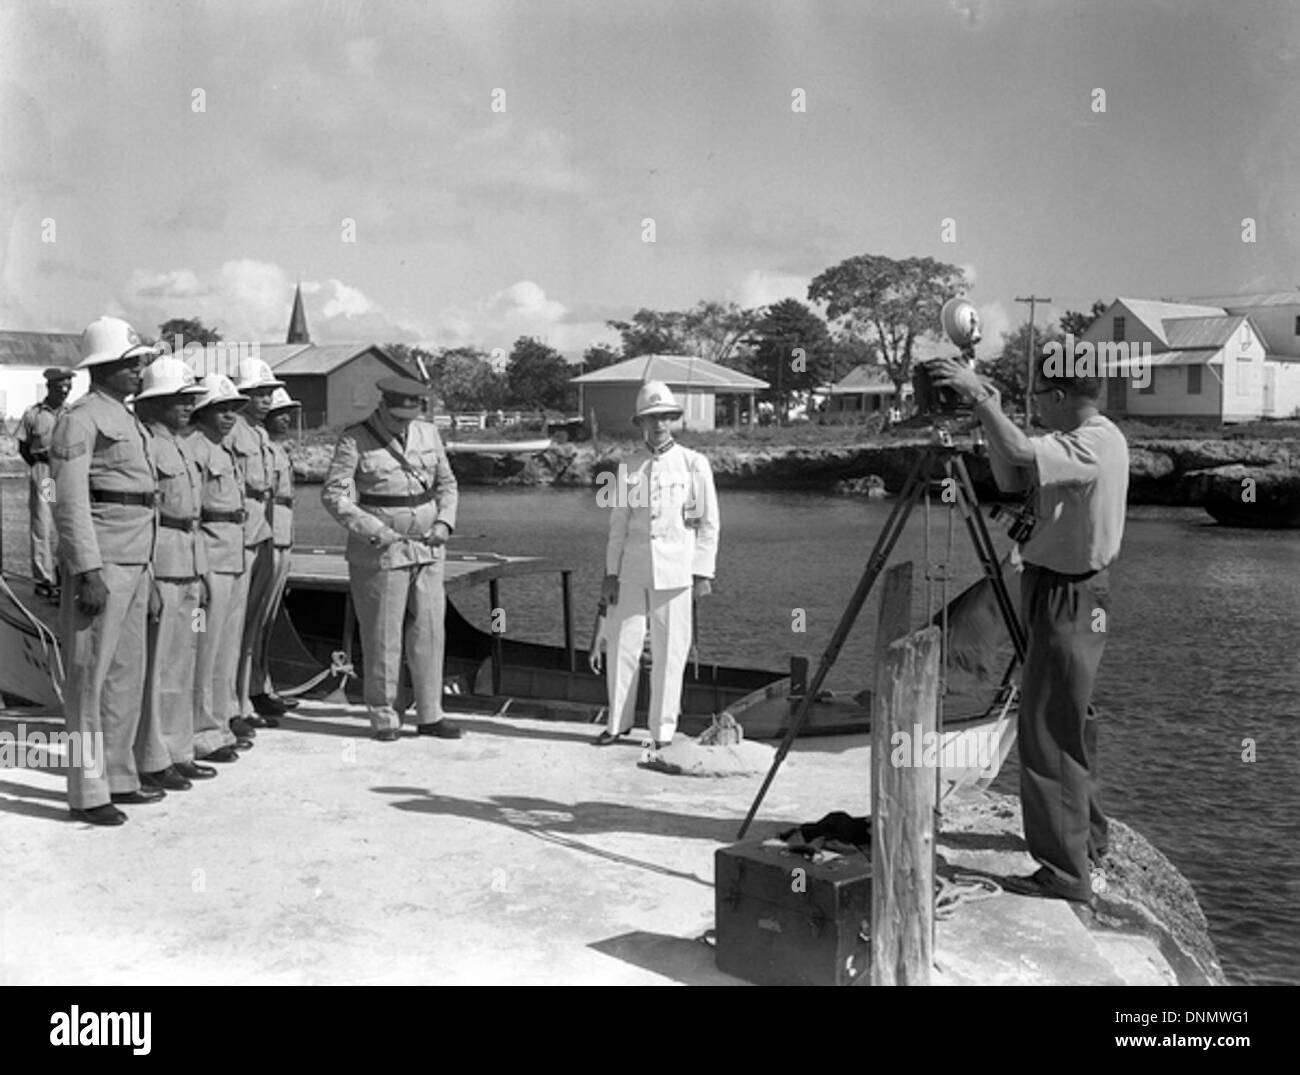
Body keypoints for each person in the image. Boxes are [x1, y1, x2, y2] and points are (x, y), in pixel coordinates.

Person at [929, 347, 1129, 903]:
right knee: (1068, 716)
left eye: (1039, 396)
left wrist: (982, 397)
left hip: (1073, 592)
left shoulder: (1097, 440)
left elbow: (1018, 447)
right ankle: (1087, 840)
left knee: (1047, 729)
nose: (1034, 406)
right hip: (1050, 584)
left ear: (1062, 397)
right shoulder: (1068, 445)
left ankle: (1065, 874)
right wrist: (987, 415)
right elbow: (1010, 473)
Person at [50, 317, 161, 826]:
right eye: (132, 363)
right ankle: (86, 790)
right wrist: (87, 569)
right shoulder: (80, 418)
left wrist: (151, 572)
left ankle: (118, 775)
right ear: (105, 367)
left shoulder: (127, 416)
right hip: (104, 559)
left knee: (123, 674)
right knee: (88, 678)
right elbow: (69, 501)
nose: (140, 370)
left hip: (137, 558)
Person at [322, 375, 462, 742]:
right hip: (380, 549)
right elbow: (335, 496)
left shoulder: (428, 435)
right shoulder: (356, 438)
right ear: (383, 405)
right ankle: (386, 716)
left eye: (409, 416)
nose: (403, 423)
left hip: (429, 546)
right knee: (383, 635)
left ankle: (431, 714)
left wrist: (445, 522)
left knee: (430, 630)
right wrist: (375, 529)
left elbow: (447, 484)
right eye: (397, 415)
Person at [598, 381, 719, 748]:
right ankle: (616, 724)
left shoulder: (693, 465)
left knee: (670, 651)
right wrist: (611, 573)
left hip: (676, 570)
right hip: (632, 568)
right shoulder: (628, 467)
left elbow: (706, 524)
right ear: (641, 424)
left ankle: (662, 731)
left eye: (665, 417)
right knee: (622, 646)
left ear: (674, 421)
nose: (659, 425)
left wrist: (702, 572)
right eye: (652, 419)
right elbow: (617, 526)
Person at [131, 356, 214, 789]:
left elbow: (193, 514)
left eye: (190, 399)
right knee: (157, 666)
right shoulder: (147, 445)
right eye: (177, 399)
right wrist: (148, 572)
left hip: (189, 562)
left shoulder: (183, 445)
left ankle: (180, 748)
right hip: (162, 563)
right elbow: (147, 517)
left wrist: (200, 572)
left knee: (184, 660)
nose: (188, 406)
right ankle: (150, 754)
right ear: (154, 402)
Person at [187, 373, 253, 763]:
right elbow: (189, 512)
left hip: (232, 556)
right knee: (202, 648)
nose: (229, 415)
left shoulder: (222, 448)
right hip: (209, 559)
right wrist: (198, 568)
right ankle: (199, 731)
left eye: (233, 409)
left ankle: (219, 721)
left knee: (224, 648)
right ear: (202, 411)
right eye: (220, 408)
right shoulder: (194, 449)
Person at [229, 358, 283, 737]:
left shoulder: (260, 436)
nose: (266, 400)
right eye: (257, 393)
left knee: (252, 624)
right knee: (230, 627)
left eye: (267, 393)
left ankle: (246, 695)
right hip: (239, 533)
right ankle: (232, 703)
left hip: (263, 529)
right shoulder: (232, 433)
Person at [247, 385, 302, 720]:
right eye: (278, 413)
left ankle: (262, 684)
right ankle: (252, 689)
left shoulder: (278, 449)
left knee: (268, 622)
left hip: (283, 535)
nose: (284, 419)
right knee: (255, 621)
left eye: (287, 413)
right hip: (270, 536)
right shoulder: (260, 447)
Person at [17, 367, 75, 598]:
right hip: (47, 473)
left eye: (67, 387)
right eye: (60, 387)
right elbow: (24, 446)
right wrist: (40, 467)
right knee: (44, 524)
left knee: (69, 523)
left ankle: (65, 575)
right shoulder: (35, 414)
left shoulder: (73, 413)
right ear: (50, 387)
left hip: (68, 471)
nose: (65, 391)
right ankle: (44, 578)